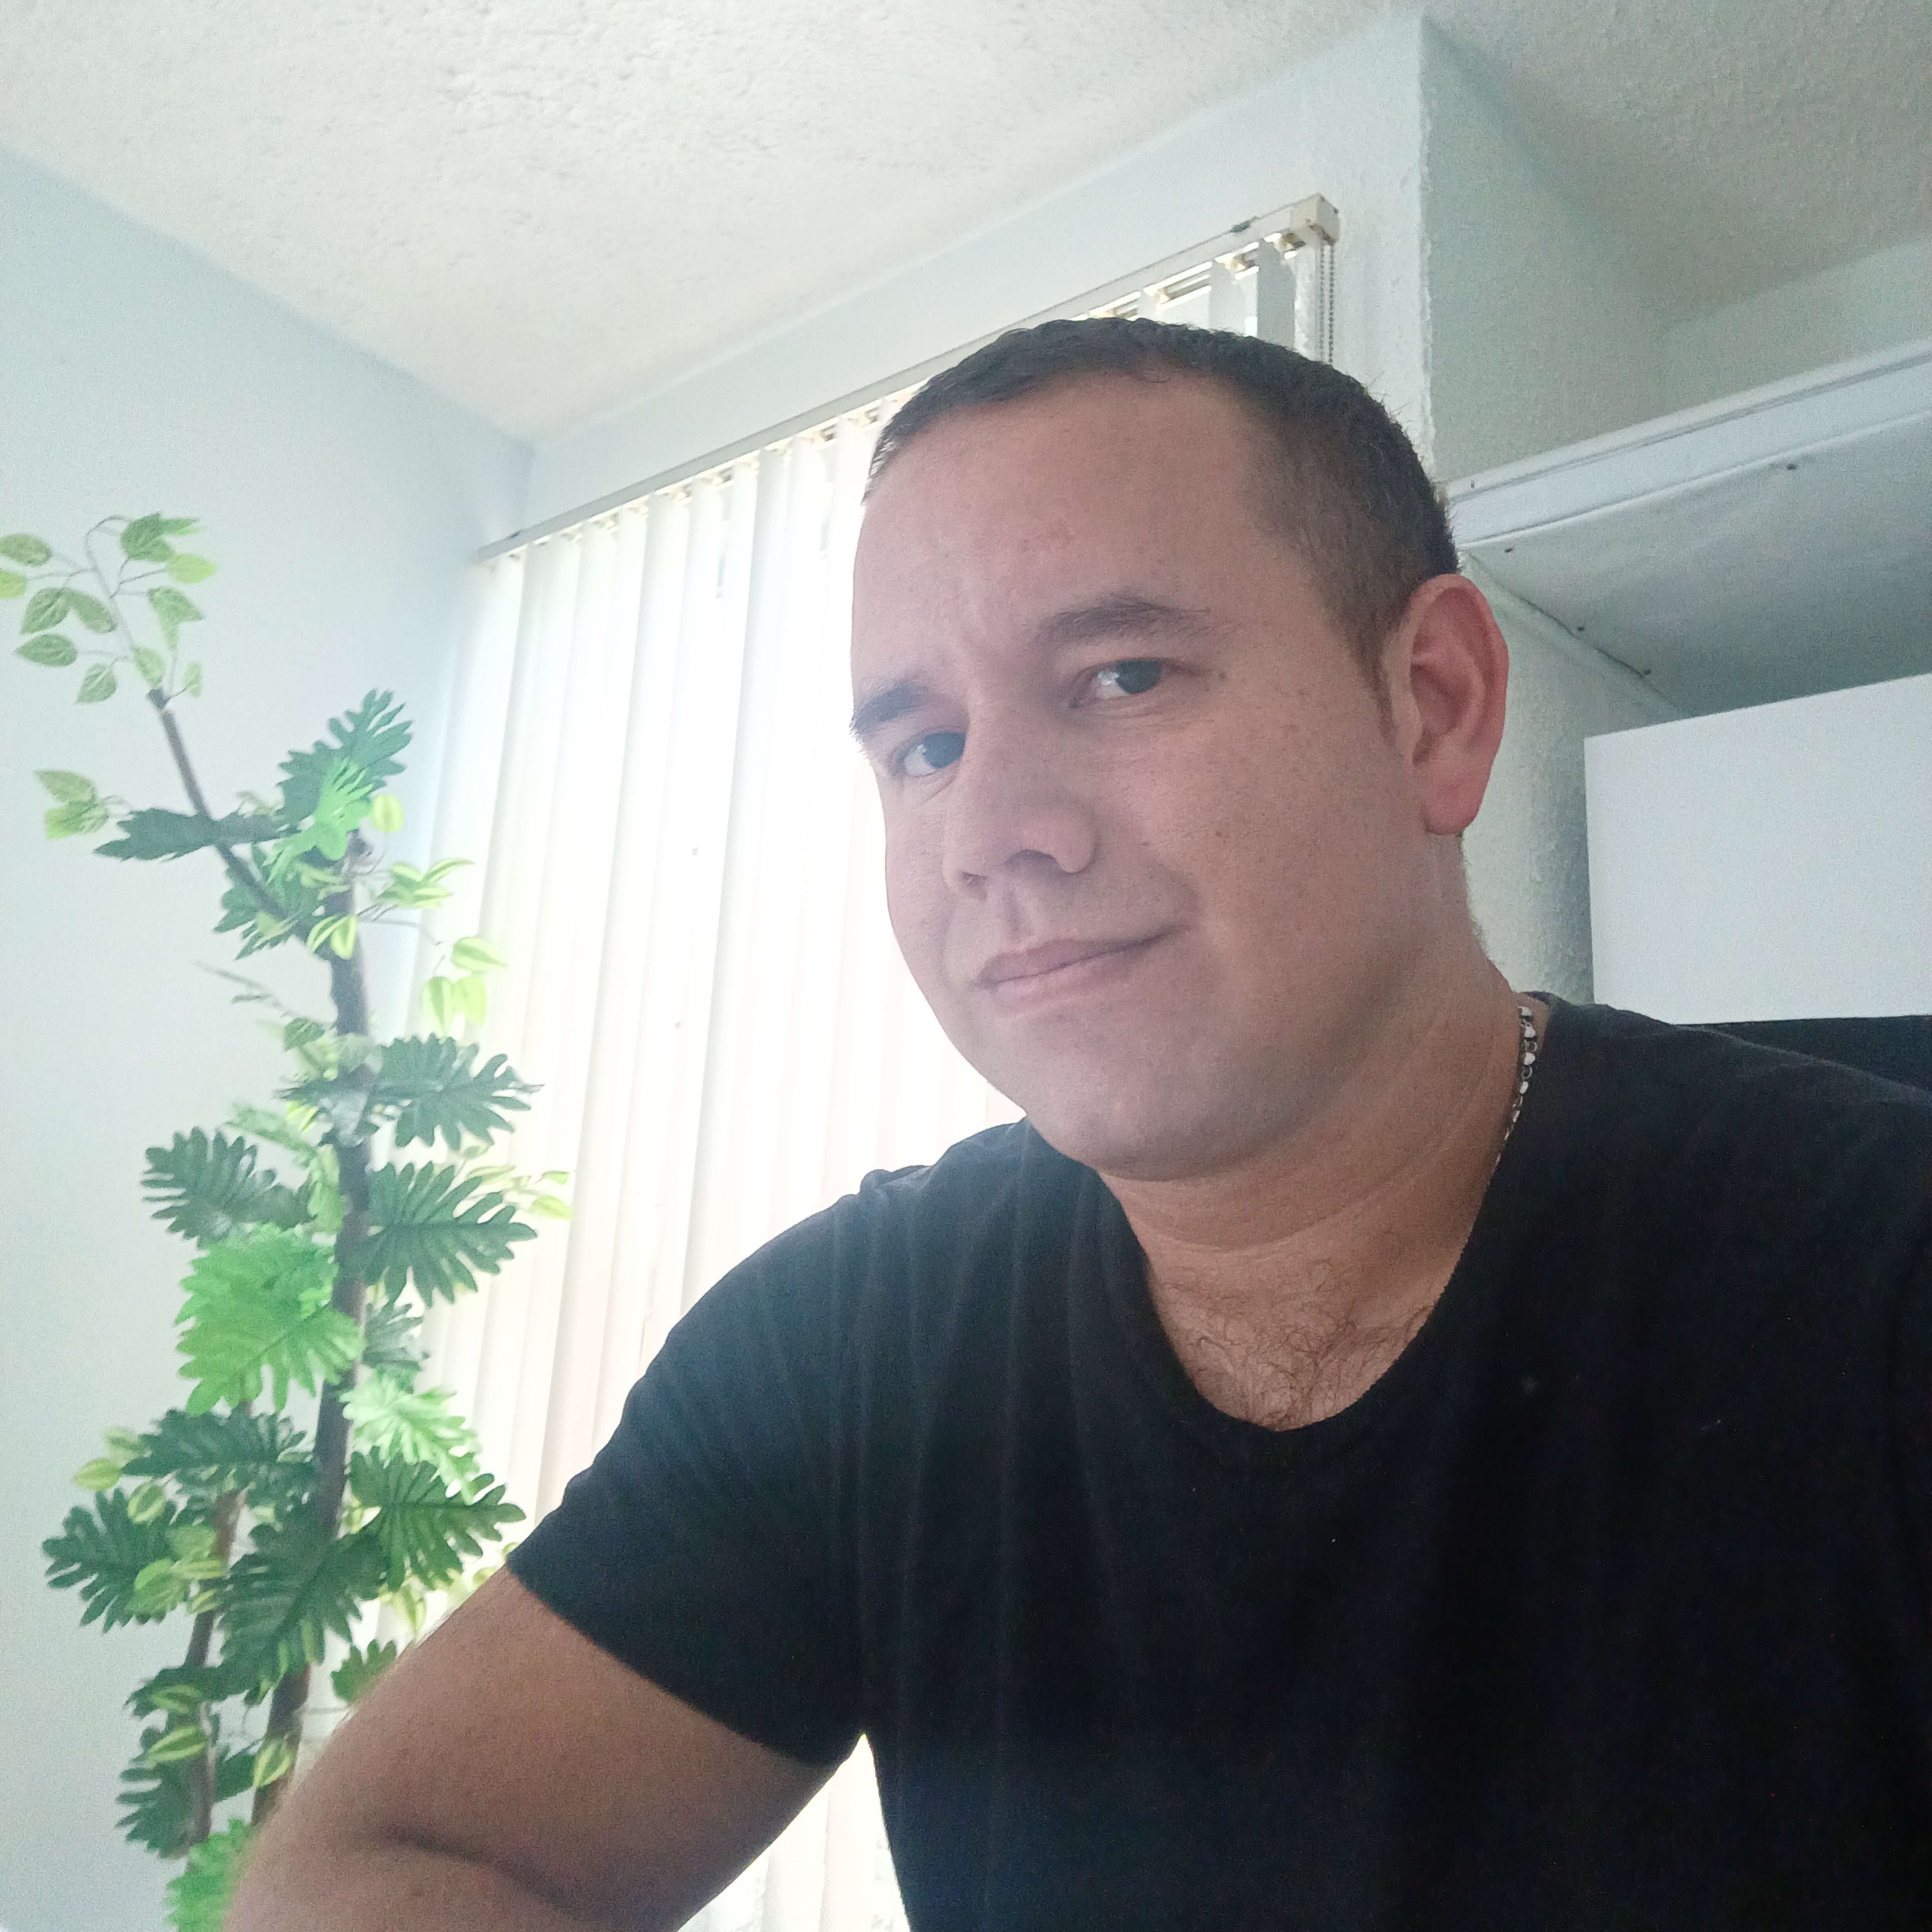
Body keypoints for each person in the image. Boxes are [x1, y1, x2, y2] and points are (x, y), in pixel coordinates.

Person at [231, 320, 1932, 1931]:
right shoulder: (859, 1345)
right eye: (922, 745)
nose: (990, 831)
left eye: (1122, 675)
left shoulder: (1870, 1267)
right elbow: (376, 1865)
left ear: (1431, 704)